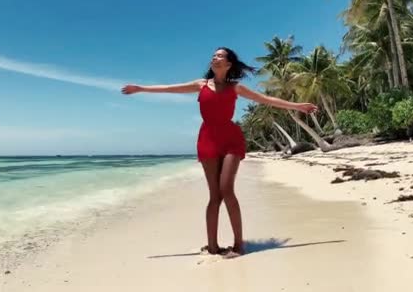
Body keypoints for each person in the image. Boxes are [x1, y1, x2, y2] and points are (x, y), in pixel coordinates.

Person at [121, 47, 318, 257]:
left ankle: (238, 245)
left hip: (231, 139)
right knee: (214, 196)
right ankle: (213, 247)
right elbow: (170, 88)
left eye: (220, 56)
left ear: (229, 64)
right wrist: (141, 88)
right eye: (214, 56)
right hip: (207, 140)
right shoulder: (201, 85)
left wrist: (298, 106)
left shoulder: (236, 88)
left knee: (226, 189)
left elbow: (266, 100)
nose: (215, 58)